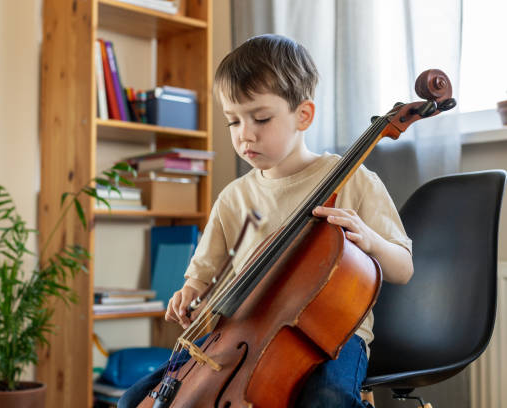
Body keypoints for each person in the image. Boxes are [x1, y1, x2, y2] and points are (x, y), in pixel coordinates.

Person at [118, 34, 413, 408]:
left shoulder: (353, 178)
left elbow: (403, 268)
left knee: (327, 398)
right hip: (240, 336)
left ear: (303, 115)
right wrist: (189, 293)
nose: (244, 135)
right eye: (233, 122)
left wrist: (369, 239)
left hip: (327, 339)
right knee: (134, 400)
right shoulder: (233, 198)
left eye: (260, 118)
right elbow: (202, 274)